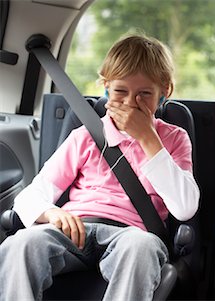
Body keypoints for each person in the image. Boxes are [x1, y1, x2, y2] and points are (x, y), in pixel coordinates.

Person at [0, 34, 200, 300]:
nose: (130, 103)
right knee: (21, 244)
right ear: (106, 87)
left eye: (144, 94)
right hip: (75, 230)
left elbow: (185, 207)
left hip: (133, 234)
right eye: (120, 92)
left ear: (165, 91)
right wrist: (50, 213)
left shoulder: (174, 139)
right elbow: (31, 195)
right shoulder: (85, 137)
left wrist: (148, 140)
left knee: (142, 248)